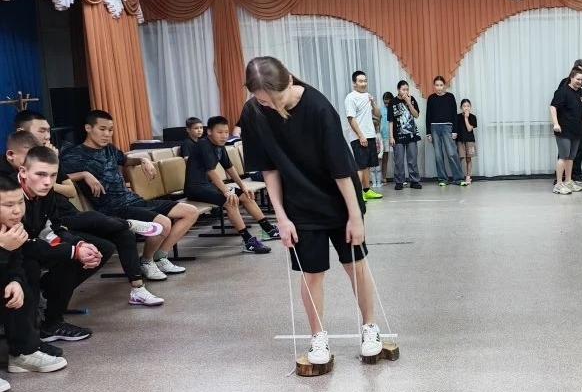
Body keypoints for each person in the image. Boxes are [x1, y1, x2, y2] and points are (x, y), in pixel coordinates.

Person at [241, 56, 383, 365]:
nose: (271, 107)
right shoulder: (253, 113)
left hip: (339, 198)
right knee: (311, 273)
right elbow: (269, 169)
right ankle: (318, 336)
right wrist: (280, 217)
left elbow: (341, 168)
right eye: (263, 101)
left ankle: (370, 327)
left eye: (276, 100)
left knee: (355, 266)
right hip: (300, 204)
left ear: (290, 81)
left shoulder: (317, 107)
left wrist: (355, 216)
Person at [13, 111, 167, 301]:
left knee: (115, 240)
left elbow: (70, 191)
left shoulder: (49, 159)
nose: (47, 136)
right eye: (42, 131)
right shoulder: (18, 170)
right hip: (50, 224)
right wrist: (44, 181)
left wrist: (54, 174)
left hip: (65, 213)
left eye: (48, 131)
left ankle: (138, 289)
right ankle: (126, 223)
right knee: (95, 223)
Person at [61, 110, 200, 276]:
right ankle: (146, 262)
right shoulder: (74, 155)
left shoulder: (110, 149)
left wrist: (143, 159)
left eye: (110, 130)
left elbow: (126, 160)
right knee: (163, 223)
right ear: (88, 128)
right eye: (102, 129)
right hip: (112, 208)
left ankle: (159, 257)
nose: (107, 134)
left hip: (133, 200)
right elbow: (55, 177)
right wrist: (83, 174)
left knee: (190, 212)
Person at [19, 146, 112, 342]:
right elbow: (22, 244)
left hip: (31, 246)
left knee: (87, 252)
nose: (47, 182)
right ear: (23, 172)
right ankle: (29, 337)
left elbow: (53, 228)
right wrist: (72, 251)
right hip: (12, 253)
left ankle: (51, 320)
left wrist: (80, 245)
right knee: (32, 264)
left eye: (53, 175)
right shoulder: (10, 195)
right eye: (40, 174)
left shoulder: (46, 193)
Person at [0, 175, 67, 391]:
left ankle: (22, 353)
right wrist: (3, 249)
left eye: (20, 202)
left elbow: (16, 262)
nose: (17, 211)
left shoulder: (12, 227)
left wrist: (14, 280)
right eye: (8, 205)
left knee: (22, 282)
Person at [184, 115, 276, 253]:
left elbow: (229, 167)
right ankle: (247, 241)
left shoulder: (220, 146)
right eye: (220, 132)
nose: (224, 136)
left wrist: (243, 186)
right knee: (230, 201)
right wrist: (227, 191)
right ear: (209, 132)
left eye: (226, 132)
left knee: (245, 196)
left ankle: (268, 230)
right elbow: (211, 171)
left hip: (208, 186)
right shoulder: (204, 144)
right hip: (195, 188)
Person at [550, 68, 582, 195]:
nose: (580, 82)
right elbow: (553, 107)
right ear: (571, 78)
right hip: (564, 129)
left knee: (571, 157)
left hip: (577, 130)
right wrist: (555, 123)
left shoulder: (581, 93)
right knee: (563, 156)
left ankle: (568, 181)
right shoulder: (562, 91)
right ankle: (558, 184)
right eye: (578, 79)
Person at [345, 70, 383, 201]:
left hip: (370, 134)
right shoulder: (351, 97)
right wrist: (361, 135)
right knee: (360, 166)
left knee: (367, 165)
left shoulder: (367, 96)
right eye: (360, 81)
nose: (363, 84)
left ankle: (366, 190)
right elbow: (351, 118)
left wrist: (373, 103)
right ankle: (357, 193)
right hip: (359, 137)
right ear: (354, 83)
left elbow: (377, 114)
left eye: (365, 81)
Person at [558, 59, 582, 184]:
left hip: (581, 122)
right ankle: (560, 178)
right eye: (580, 71)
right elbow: (557, 104)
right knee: (564, 152)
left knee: (578, 150)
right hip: (566, 123)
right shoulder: (565, 82)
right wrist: (557, 122)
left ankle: (575, 175)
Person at [426, 76, 466, 186]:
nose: (439, 87)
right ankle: (442, 179)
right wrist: (428, 133)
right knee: (438, 155)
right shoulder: (431, 98)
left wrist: (455, 131)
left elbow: (454, 115)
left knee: (452, 153)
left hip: (448, 127)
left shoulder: (450, 97)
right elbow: (428, 116)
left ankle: (459, 178)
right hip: (434, 128)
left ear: (444, 86)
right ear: (434, 86)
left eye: (441, 85)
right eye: (437, 85)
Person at [388, 80, 422, 191]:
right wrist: (391, 137)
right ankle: (399, 182)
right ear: (398, 90)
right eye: (403, 89)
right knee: (399, 160)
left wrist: (408, 102)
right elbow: (390, 121)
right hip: (397, 136)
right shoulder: (392, 102)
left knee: (412, 159)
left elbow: (416, 115)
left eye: (407, 89)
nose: (405, 92)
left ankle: (414, 181)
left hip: (411, 134)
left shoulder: (412, 99)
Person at [454, 99, 477, 184]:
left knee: (468, 158)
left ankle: (468, 177)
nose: (466, 108)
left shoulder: (473, 117)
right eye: (464, 106)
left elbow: (469, 129)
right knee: (459, 158)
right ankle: (458, 176)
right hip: (460, 140)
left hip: (470, 140)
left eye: (468, 106)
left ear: (470, 107)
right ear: (461, 107)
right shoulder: (457, 117)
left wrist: (466, 118)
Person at [380, 91, 393, 183]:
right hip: (384, 136)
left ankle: (399, 176)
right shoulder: (381, 109)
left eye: (388, 103)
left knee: (397, 157)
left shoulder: (395, 108)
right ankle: (383, 176)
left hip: (394, 136)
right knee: (384, 157)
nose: (387, 105)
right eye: (385, 103)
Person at [369, 115, 384, 189]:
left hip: (378, 155)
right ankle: (374, 183)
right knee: (372, 170)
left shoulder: (378, 135)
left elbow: (381, 145)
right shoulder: (368, 136)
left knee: (378, 169)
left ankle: (379, 183)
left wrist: (381, 153)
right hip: (371, 155)